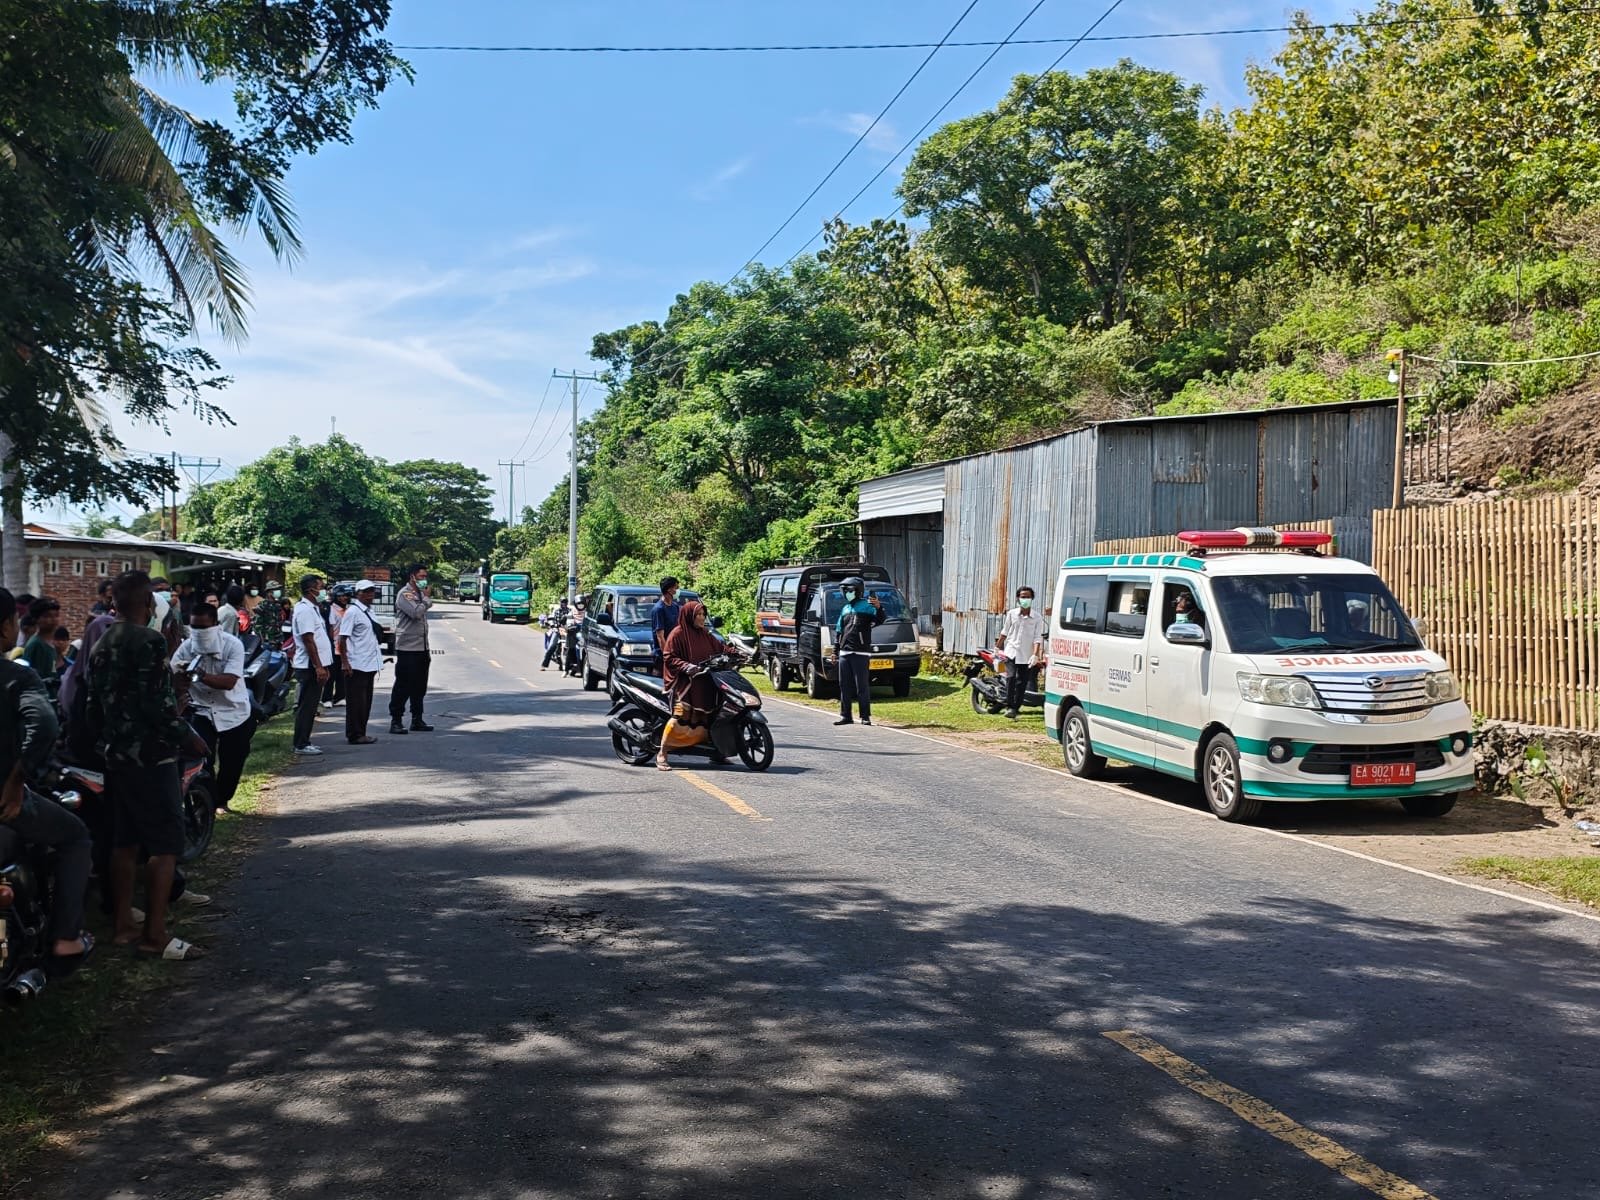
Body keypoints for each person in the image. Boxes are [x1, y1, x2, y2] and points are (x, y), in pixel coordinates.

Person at [87, 570, 208, 961]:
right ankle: (155, 934)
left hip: (116, 756)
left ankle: (123, 926)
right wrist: (189, 736)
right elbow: (156, 706)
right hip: (153, 757)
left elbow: (93, 708)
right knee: (165, 845)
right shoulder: (150, 641)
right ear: (147, 604)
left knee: (124, 842)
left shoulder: (101, 642)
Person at [0, 588, 96, 973]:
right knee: (76, 838)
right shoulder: (16, 676)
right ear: (8, 627)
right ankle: (66, 938)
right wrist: (15, 780)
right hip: (6, 801)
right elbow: (43, 725)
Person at [172, 602, 255, 812]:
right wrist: (179, 678)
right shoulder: (187, 647)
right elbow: (173, 677)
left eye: (203, 627)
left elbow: (229, 682)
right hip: (201, 711)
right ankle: (205, 806)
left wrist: (199, 675)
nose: (199, 632)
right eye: (195, 627)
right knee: (202, 761)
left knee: (232, 762)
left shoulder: (232, 645)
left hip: (233, 711)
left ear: (216, 625)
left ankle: (222, 800)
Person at [656, 599, 724, 771]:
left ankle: (716, 753)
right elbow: (669, 657)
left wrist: (741, 653)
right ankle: (662, 753)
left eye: (703, 614)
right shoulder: (677, 634)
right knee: (682, 714)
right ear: (689, 616)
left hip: (705, 681)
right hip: (684, 683)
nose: (702, 618)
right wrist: (686, 666)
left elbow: (721, 648)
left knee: (712, 715)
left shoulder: (705, 634)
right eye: (698, 615)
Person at [831, 576, 884, 727]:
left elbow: (880, 619)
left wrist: (879, 607)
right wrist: (835, 651)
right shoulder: (845, 609)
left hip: (861, 652)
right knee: (844, 685)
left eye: (848, 590)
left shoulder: (867, 606)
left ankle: (865, 716)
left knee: (862, 686)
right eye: (844, 590)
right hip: (844, 653)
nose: (846, 593)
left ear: (857, 591)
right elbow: (839, 631)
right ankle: (846, 715)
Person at [290, 574, 332, 756]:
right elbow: (308, 640)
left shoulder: (313, 608)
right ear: (311, 589)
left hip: (316, 664)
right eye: (321, 587)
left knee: (311, 705)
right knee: (307, 706)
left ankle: (304, 741)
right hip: (309, 666)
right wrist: (319, 667)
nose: (324, 591)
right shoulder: (304, 610)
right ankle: (301, 743)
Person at [389, 563, 433, 734]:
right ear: (412, 577)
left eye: (425, 576)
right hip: (407, 648)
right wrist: (427, 600)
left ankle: (417, 718)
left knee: (420, 685)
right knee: (403, 684)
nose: (424, 580)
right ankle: (396, 720)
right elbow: (416, 613)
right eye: (421, 576)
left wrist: (424, 598)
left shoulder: (419, 594)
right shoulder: (405, 594)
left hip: (422, 647)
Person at [339, 581, 384, 744]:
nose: (370, 594)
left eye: (372, 591)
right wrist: (345, 662)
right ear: (358, 593)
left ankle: (361, 732)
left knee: (365, 702)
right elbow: (342, 638)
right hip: (356, 663)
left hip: (369, 663)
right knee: (356, 702)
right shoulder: (353, 612)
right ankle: (355, 734)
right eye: (366, 592)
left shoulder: (369, 612)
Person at [995, 585, 1045, 720]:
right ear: (1018, 599)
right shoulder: (1012, 614)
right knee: (1011, 677)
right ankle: (1009, 706)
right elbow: (1005, 632)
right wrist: (997, 647)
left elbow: (1037, 638)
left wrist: (1035, 654)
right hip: (1011, 651)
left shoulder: (1037, 618)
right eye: (1023, 597)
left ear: (1032, 598)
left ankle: (1015, 708)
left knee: (1022, 682)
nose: (1025, 599)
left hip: (1026, 655)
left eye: (1028, 597)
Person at [321, 586, 350, 706]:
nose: (344, 598)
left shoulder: (349, 610)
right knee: (331, 673)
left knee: (342, 673)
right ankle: (326, 698)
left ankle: (340, 696)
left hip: (345, 647)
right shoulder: (331, 609)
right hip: (334, 645)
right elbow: (331, 628)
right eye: (341, 596)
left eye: (346, 595)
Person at [20, 597, 61, 678]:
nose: (53, 619)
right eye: (47, 616)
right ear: (36, 619)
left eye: (56, 615)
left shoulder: (53, 644)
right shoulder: (35, 644)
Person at [650, 577, 681, 664]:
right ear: (669, 590)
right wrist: (667, 656)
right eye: (676, 588)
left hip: (674, 653)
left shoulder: (675, 606)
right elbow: (660, 636)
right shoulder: (659, 609)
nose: (678, 591)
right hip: (662, 656)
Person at [540, 596, 570, 671]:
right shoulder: (556, 611)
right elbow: (550, 619)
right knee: (551, 646)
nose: (563, 604)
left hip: (567, 631)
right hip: (557, 630)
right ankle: (544, 665)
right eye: (562, 602)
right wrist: (553, 625)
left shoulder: (570, 611)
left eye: (565, 602)